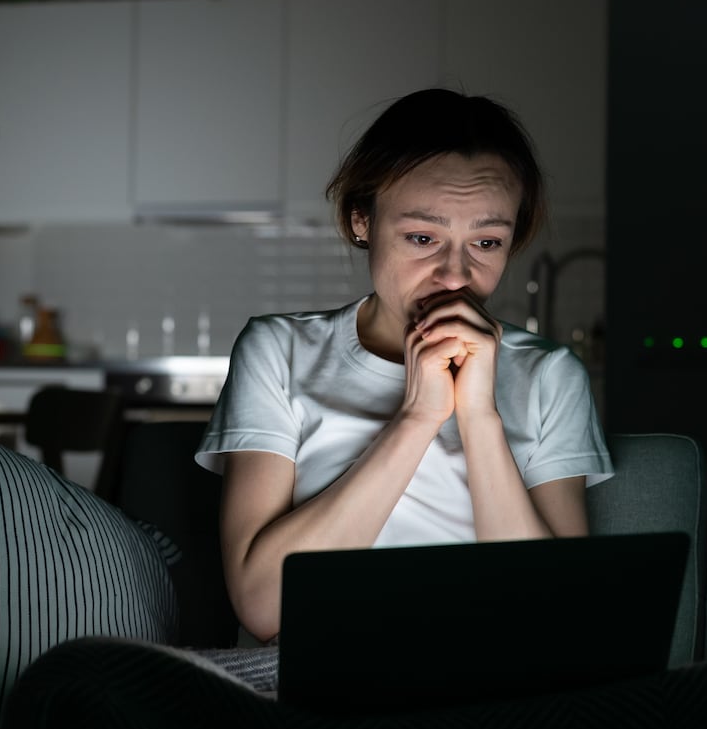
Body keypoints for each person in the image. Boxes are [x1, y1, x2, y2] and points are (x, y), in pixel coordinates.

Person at [195, 87, 613, 643]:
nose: (455, 276)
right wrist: (418, 418)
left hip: (484, 680)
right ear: (360, 220)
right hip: (316, 677)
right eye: (422, 237)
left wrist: (480, 418)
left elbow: (552, 616)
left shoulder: (549, 374)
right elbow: (266, 607)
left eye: (487, 242)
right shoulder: (279, 350)